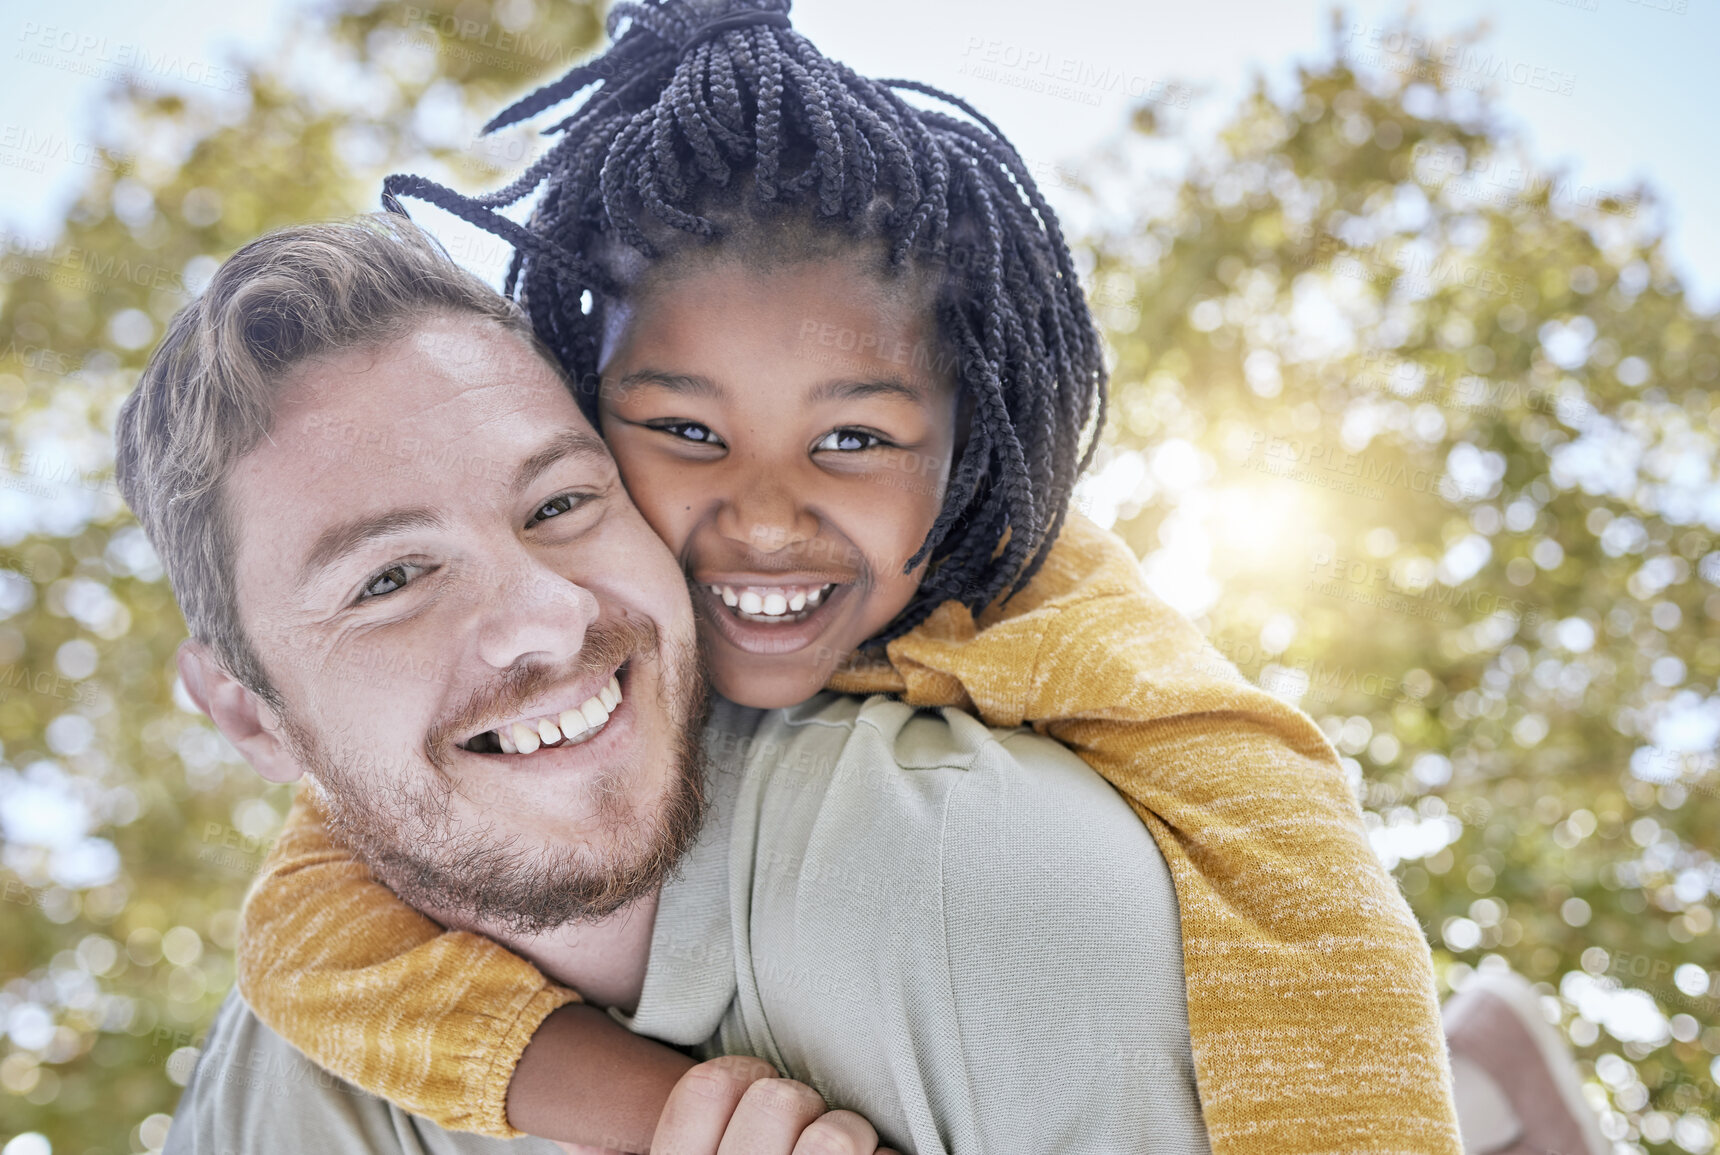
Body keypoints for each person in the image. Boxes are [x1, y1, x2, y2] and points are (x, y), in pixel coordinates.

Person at [223, 1, 1471, 1152]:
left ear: (963, 448)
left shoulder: (1048, 607)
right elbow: (305, 941)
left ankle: (1483, 1081)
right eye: (689, 434)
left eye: (856, 441)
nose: (766, 520)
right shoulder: (552, 619)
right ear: (588, 425)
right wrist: (666, 1117)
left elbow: (1301, 885)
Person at [126, 216, 1209, 1154]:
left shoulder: (967, 879)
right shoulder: (289, 1067)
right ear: (243, 713)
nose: (546, 617)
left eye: (558, 504)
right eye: (392, 579)